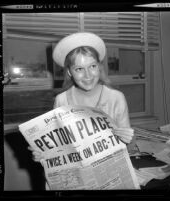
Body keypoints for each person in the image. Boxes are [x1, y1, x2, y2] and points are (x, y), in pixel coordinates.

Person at [29, 32, 136, 189]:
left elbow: (129, 148)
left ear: (99, 67)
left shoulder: (116, 98)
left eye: (92, 66)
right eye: (79, 69)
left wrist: (128, 139)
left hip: (109, 176)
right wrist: (43, 154)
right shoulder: (62, 100)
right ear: (69, 72)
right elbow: (59, 147)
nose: (88, 75)